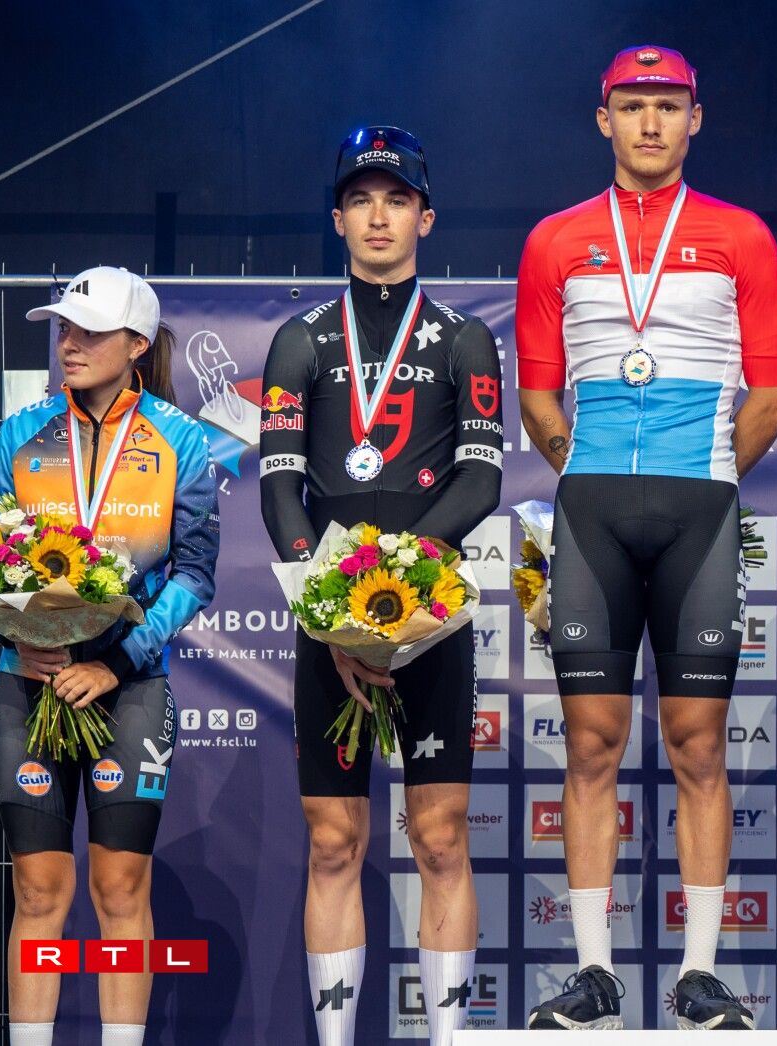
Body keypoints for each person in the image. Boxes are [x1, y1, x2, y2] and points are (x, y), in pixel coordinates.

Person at [515, 45, 777, 1031]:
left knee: (698, 745)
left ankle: (699, 974)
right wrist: (582, 469)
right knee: (590, 744)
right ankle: (594, 972)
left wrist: (709, 471)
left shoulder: (743, 236)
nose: (649, 123)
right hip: (590, 514)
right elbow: (537, 393)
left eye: (668, 106)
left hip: (701, 514)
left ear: (694, 119)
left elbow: (773, 392)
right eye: (632, 106)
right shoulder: (554, 240)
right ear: (604, 119)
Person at [258, 126, 504, 1046]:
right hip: (329, 620)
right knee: (333, 842)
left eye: (396, 200)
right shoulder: (299, 340)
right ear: (337, 219)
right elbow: (280, 488)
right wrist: (334, 612)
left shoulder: (467, 338)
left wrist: (395, 587)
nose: (377, 216)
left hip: (428, 615)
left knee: (439, 837)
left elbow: (481, 482)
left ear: (425, 218)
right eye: (360, 199)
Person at [0, 266, 220, 1046]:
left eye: (89, 332)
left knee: (119, 888)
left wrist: (115, 662)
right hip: (29, 683)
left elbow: (195, 574)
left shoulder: (179, 440)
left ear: (136, 345)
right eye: (64, 329)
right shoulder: (20, 433)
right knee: (39, 892)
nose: (68, 344)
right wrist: (18, 638)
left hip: (128, 685)